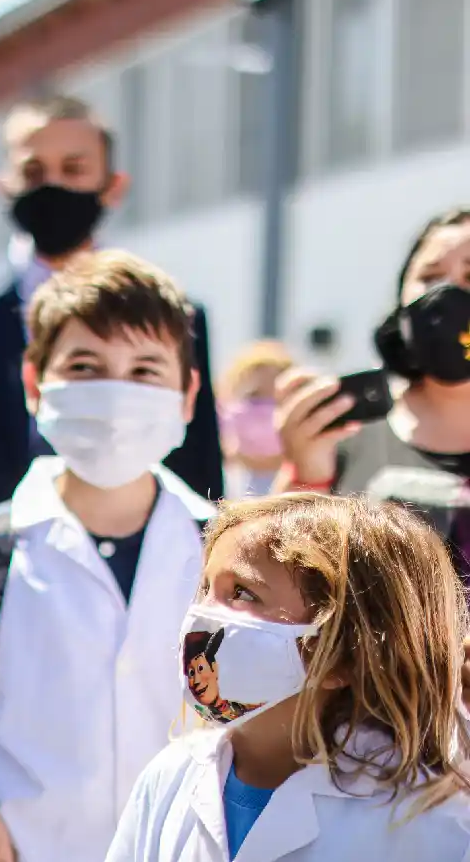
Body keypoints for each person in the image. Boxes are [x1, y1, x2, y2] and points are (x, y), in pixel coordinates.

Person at [0, 251, 215, 862]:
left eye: (144, 370)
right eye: (85, 367)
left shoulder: (230, 555)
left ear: (187, 396)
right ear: (34, 385)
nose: (115, 394)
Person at [0, 94, 224, 632]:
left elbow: (199, 472)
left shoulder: (178, 316)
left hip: (143, 599)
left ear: (113, 185)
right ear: (5, 184)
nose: (53, 186)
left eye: (74, 169)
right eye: (34, 171)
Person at [106, 493, 470, 862]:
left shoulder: (433, 828)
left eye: (242, 592)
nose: (203, 614)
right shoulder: (169, 779)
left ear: (341, 656)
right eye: (205, 587)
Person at [274, 206, 470, 575]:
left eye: (469, 277)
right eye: (430, 277)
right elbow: (276, 575)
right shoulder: (343, 431)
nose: (446, 295)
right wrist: (307, 476)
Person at [218, 340, 293, 498]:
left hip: (284, 478)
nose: (266, 379)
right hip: (244, 480)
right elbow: (228, 447)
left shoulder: (290, 408)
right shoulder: (237, 410)